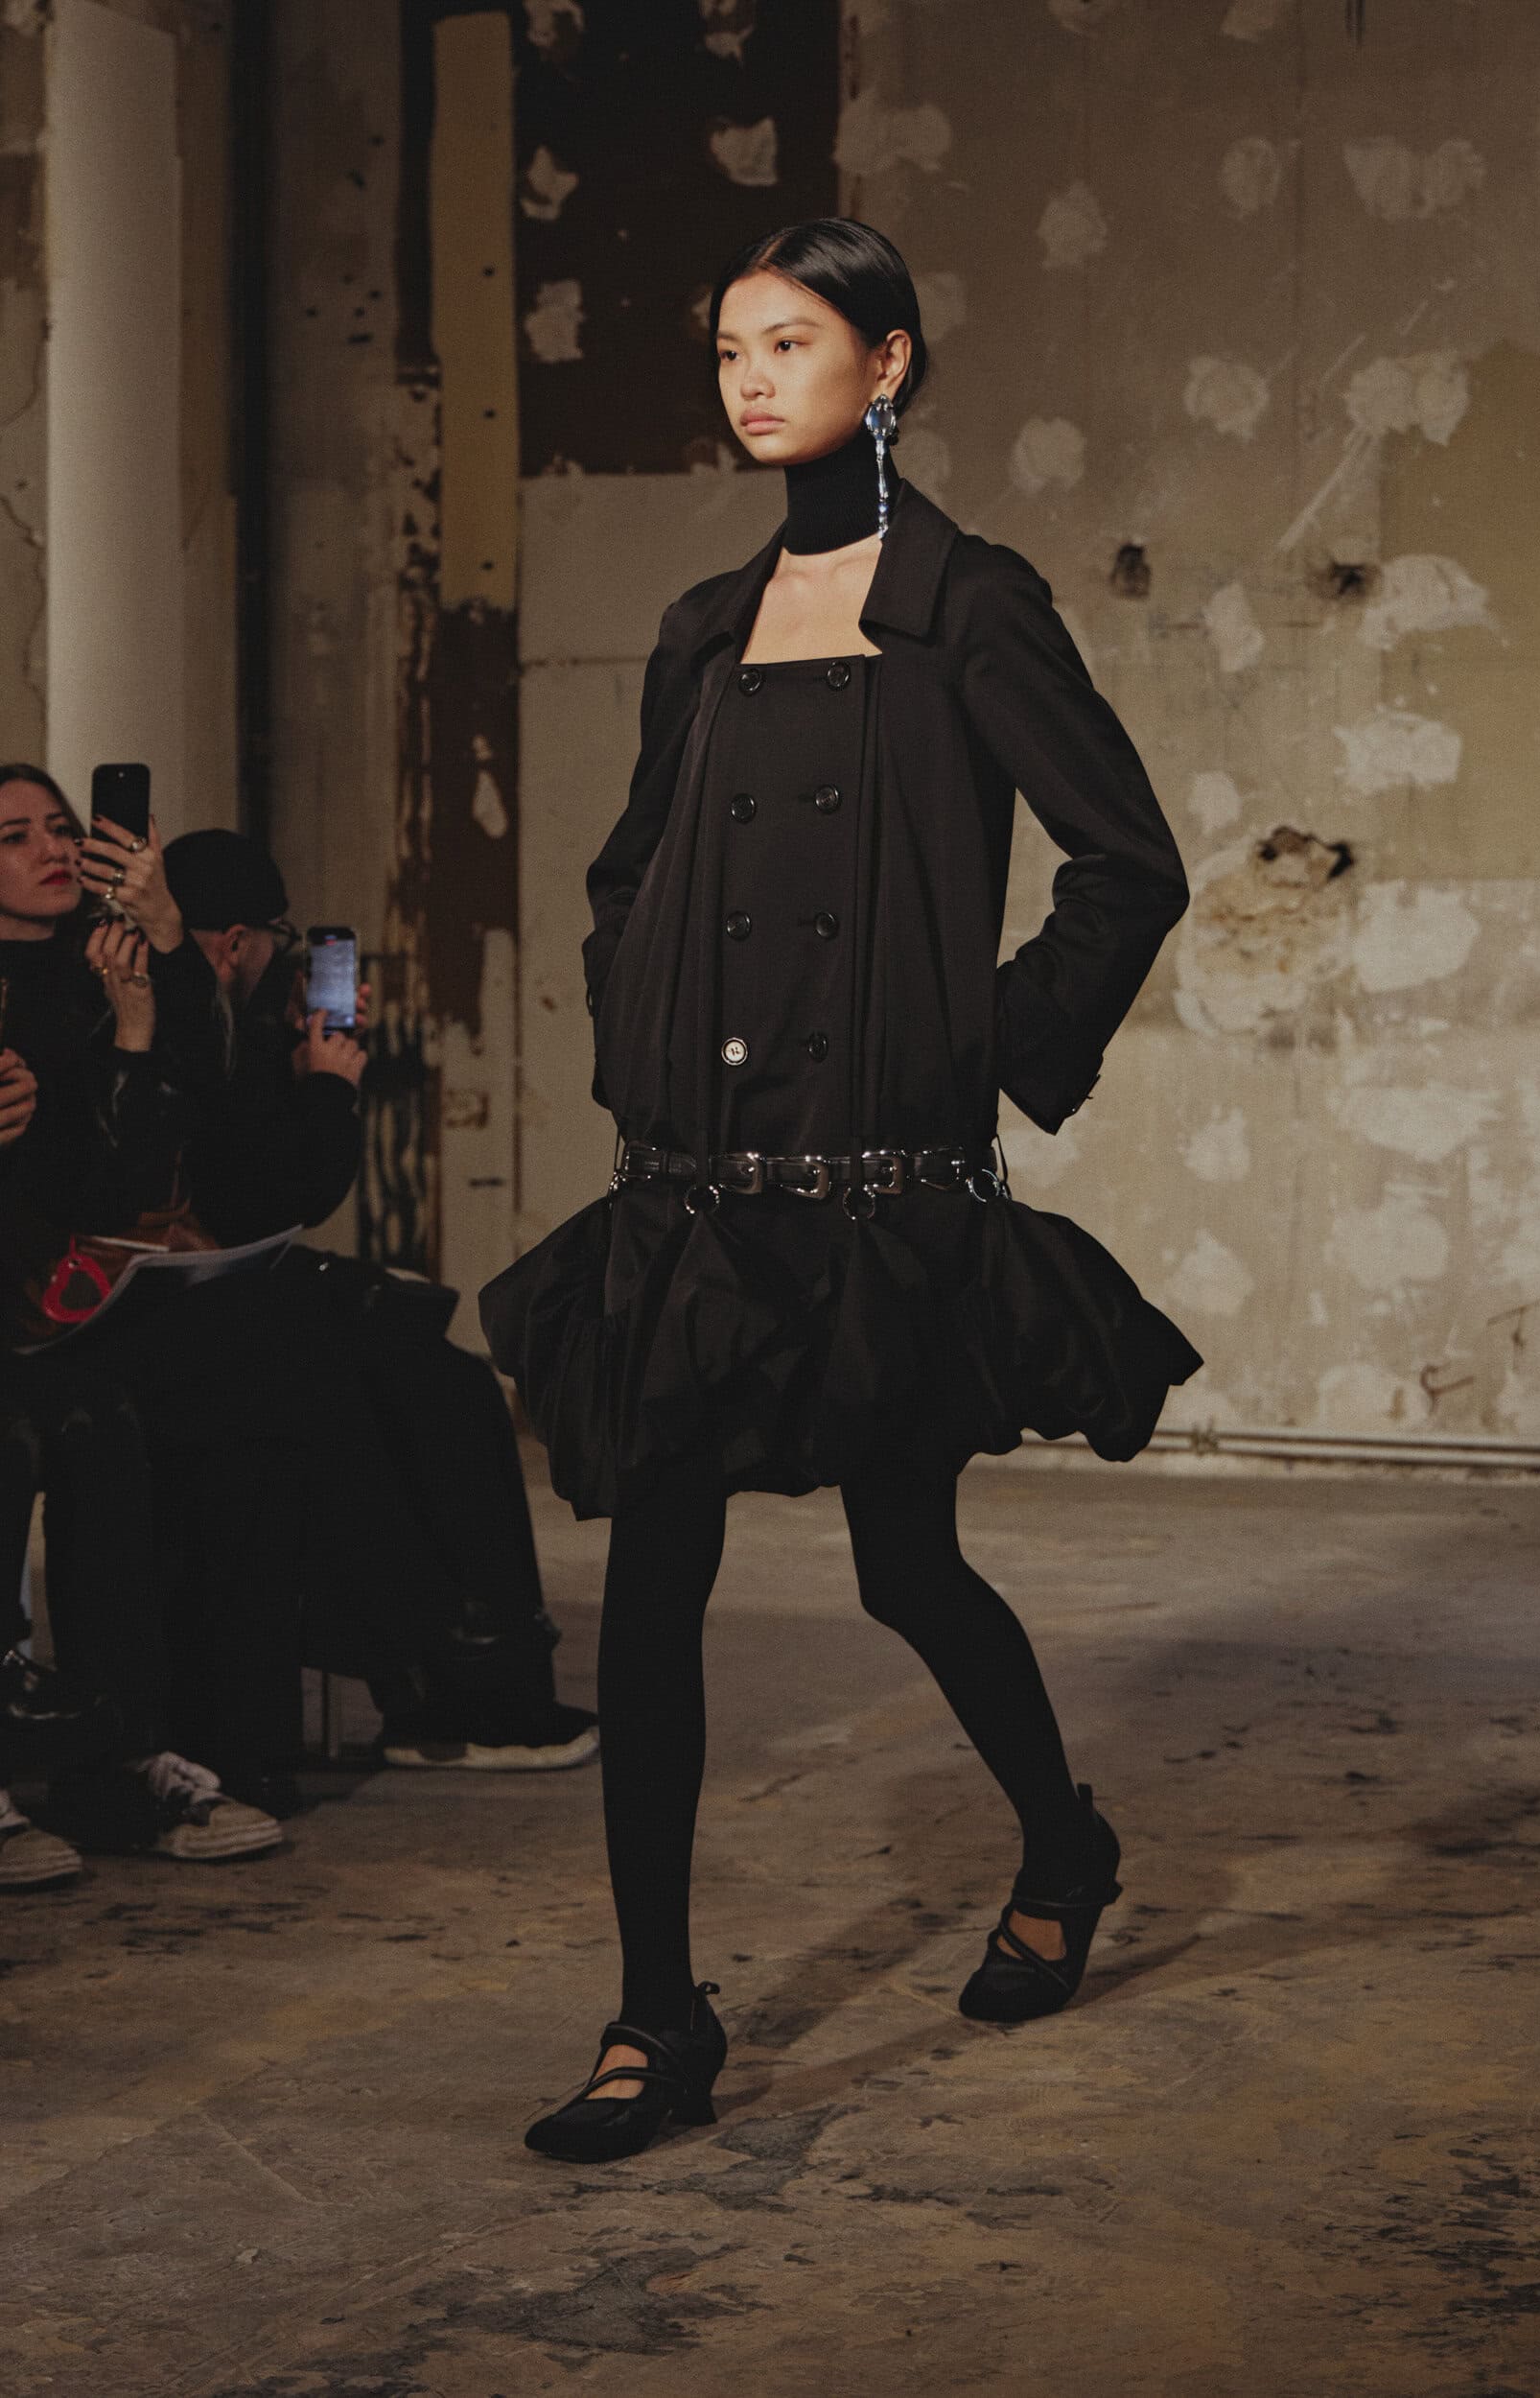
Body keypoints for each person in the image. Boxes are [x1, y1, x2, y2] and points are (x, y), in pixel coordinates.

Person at [482, 219, 1202, 2164]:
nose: (749, 376)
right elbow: (628, 870)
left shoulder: (967, 601)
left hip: (879, 1201)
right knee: (650, 1591)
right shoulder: (701, 626)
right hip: (694, 1191)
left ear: (884, 364)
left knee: (904, 1566)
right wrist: (635, 1030)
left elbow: (1126, 864)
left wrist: (971, 1049)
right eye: (730, 344)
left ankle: (1061, 1841)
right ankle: (655, 2015)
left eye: (789, 341)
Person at [160, 830, 597, 1775]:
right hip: (173, 1311)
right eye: (275, 939)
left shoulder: (228, 1027)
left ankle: (479, 1682)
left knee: (445, 1383)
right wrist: (325, 1091)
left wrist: (299, 1062)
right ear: (234, 942)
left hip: (234, 1290)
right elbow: (282, 1191)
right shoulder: (168, 1024)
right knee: (355, 1397)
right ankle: (443, 1685)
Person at [0, 764, 286, 1864]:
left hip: (67, 1300)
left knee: (137, 1413)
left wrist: (154, 971)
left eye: (60, 827)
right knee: (48, 1428)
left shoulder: (100, 965)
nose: (51, 848)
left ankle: (126, 1758)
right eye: (15, 836)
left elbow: (165, 1141)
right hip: (24, 1308)